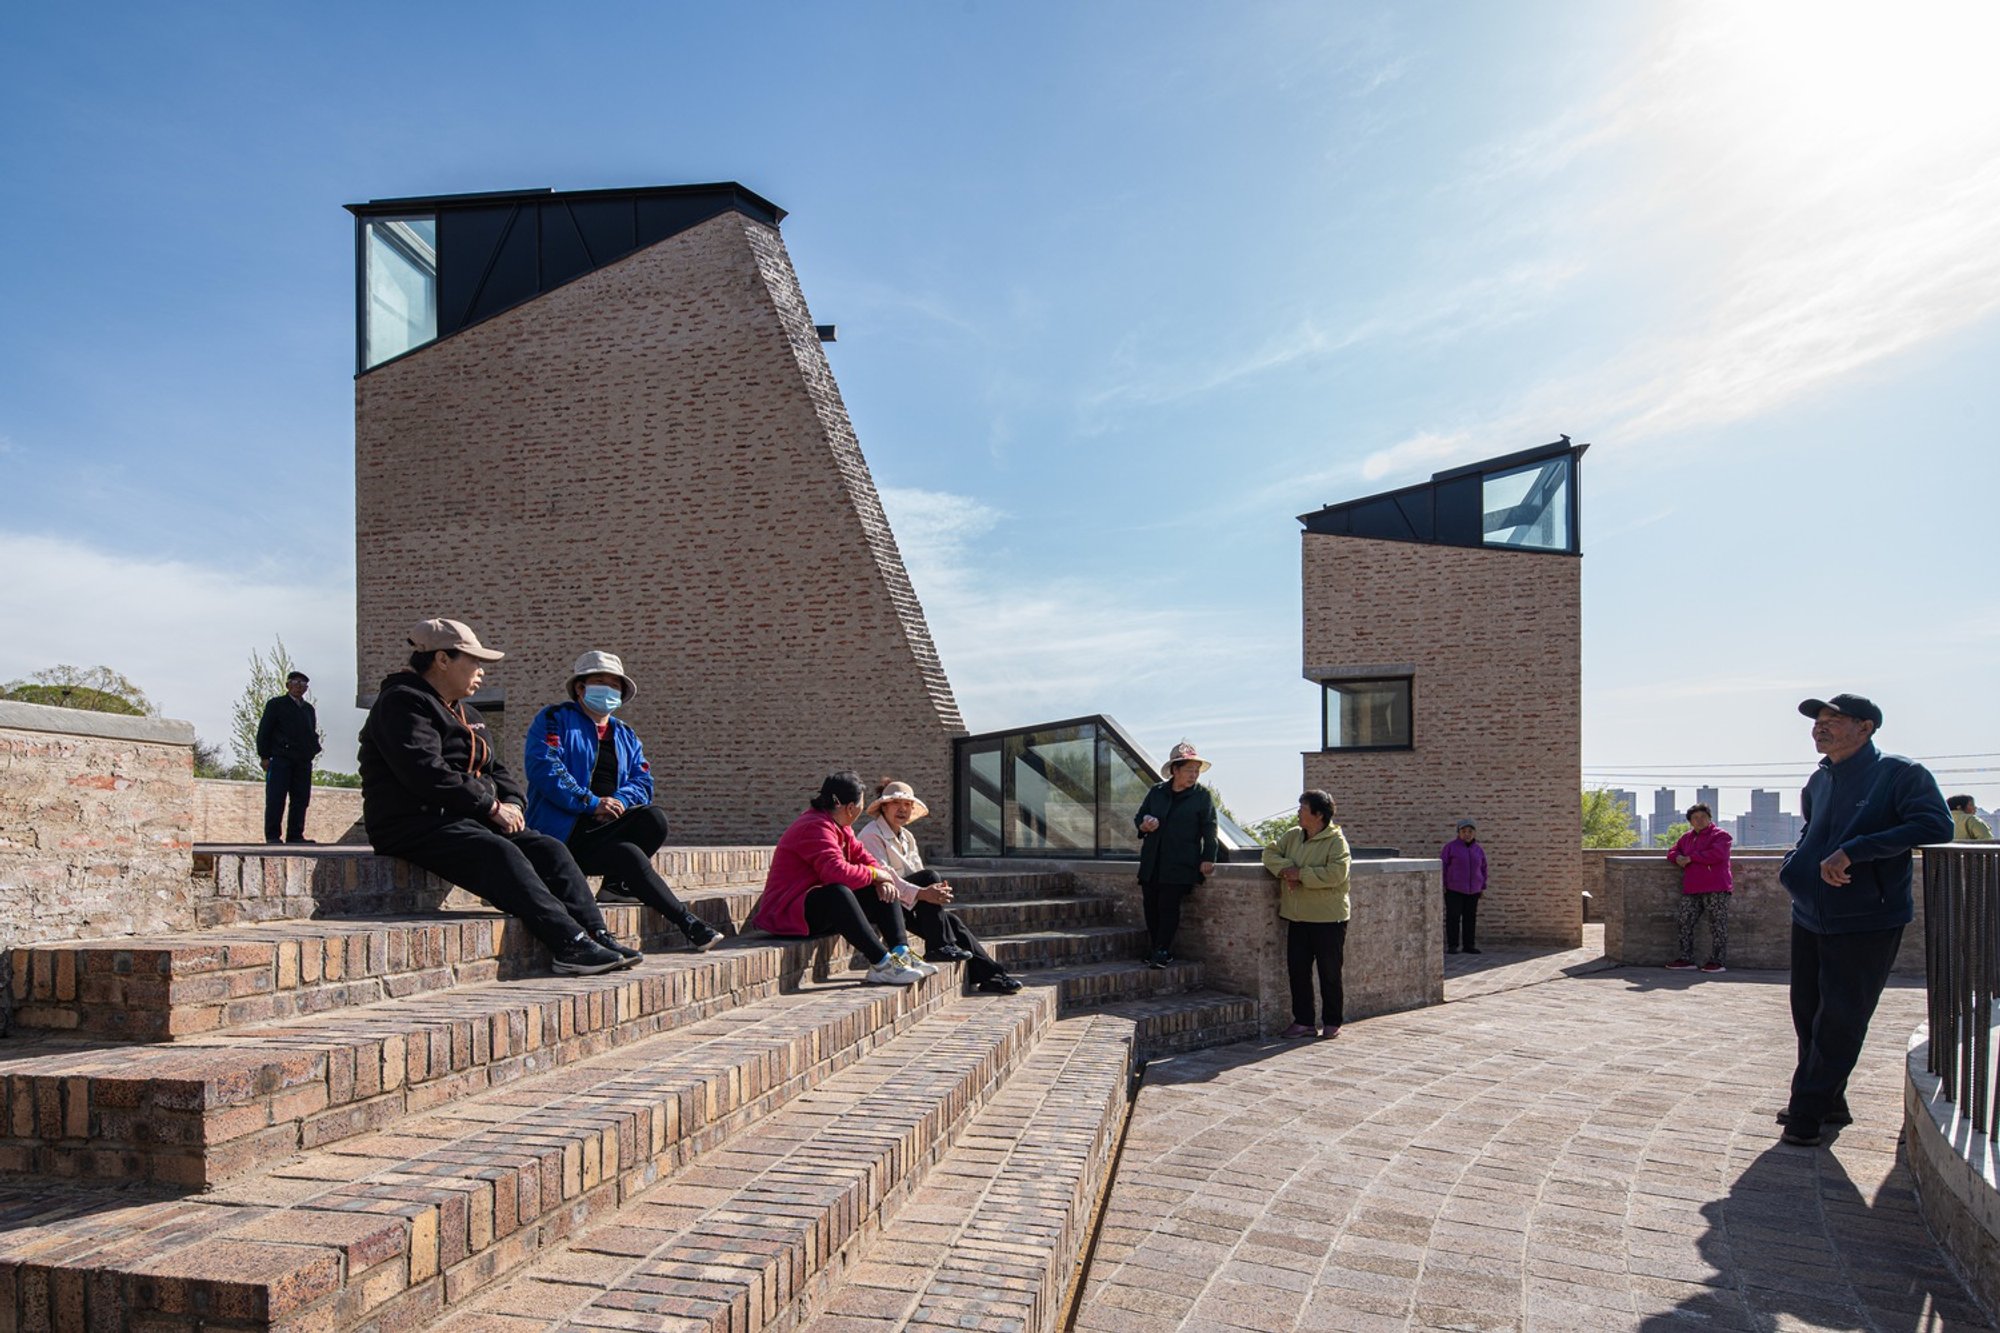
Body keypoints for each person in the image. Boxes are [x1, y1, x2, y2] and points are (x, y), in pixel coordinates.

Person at [358, 618, 636, 977]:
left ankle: (597, 934)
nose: (481, 672)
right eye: (474, 662)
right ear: (442, 660)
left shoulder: (467, 712)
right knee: (500, 852)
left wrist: (513, 805)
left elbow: (497, 770)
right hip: (414, 822)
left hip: (463, 818)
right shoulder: (401, 704)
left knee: (549, 849)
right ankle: (569, 943)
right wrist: (489, 806)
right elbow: (425, 771)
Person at [1776, 693, 1952, 1147]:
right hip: (1810, 914)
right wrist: (1795, 864)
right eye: (1818, 721)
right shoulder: (1819, 781)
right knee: (1808, 1014)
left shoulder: (1900, 774)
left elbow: (1935, 826)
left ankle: (1807, 1111)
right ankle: (1827, 1101)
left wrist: (1856, 850)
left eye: (1833, 720)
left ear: (1866, 726)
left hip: (1866, 917)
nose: (1820, 727)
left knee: (1841, 1017)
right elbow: (1811, 833)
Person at [522, 650, 721, 952]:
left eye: (615, 685)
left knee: (652, 820)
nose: (609, 690)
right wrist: (590, 802)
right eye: (600, 682)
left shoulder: (625, 735)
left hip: (602, 829)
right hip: (561, 834)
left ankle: (621, 888)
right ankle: (687, 922)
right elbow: (545, 768)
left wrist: (616, 802)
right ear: (580, 687)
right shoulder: (554, 719)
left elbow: (643, 781)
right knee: (628, 854)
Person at [751, 770, 932, 986]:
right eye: (860, 804)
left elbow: (864, 857)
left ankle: (901, 952)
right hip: (788, 911)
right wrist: (875, 874)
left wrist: (881, 878)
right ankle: (882, 964)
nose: (861, 810)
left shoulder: (840, 827)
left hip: (814, 908)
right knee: (838, 892)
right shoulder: (814, 826)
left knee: (884, 883)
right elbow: (836, 873)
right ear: (849, 808)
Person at [857, 779, 1023, 994]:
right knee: (930, 877)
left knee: (952, 922)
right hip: (884, 902)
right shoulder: (871, 834)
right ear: (884, 806)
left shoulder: (907, 836)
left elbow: (915, 872)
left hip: (907, 902)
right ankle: (938, 947)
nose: (903, 809)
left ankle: (993, 975)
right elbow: (885, 876)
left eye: (907, 805)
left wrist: (934, 893)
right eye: (897, 803)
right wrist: (925, 892)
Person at [1261, 789, 1352, 1039]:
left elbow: (1336, 874)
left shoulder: (1336, 841)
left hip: (1328, 919)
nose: (1298, 812)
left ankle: (1332, 1021)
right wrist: (1286, 870)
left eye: (1302, 808)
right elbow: (1269, 853)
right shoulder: (1292, 836)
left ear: (1318, 814)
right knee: (1298, 971)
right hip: (1298, 917)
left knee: (1329, 972)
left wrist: (1301, 875)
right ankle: (1303, 1022)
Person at [1134, 742, 1220, 969]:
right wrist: (1145, 825)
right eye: (1189, 770)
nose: (1194, 775)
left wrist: (1208, 857)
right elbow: (1140, 817)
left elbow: (1209, 828)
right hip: (1153, 860)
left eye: (1196, 771)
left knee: (1168, 906)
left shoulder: (1202, 796)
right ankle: (1156, 948)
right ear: (1175, 770)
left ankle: (1163, 949)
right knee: (1151, 906)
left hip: (1181, 861)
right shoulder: (1157, 792)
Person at [1663, 803, 1733, 973]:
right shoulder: (1686, 837)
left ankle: (1717, 961)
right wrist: (1678, 857)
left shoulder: (1721, 835)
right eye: (1695, 818)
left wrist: (1691, 858)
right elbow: (1672, 852)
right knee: (1684, 921)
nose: (1699, 820)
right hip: (1692, 887)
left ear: (1710, 818)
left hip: (1716, 887)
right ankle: (1686, 959)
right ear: (1690, 822)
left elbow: (1718, 854)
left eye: (1703, 817)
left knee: (1717, 924)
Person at [256, 670, 322, 844]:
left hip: (302, 759)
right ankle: (272, 835)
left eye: (302, 684)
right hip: (281, 757)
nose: (298, 687)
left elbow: (311, 732)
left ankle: (295, 834)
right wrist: (264, 755)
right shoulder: (276, 704)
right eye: (295, 682)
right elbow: (265, 730)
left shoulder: (308, 709)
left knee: (301, 798)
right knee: (276, 798)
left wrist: (313, 749)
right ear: (288, 685)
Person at [1440, 819, 1487, 954]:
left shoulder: (1478, 850)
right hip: (1454, 888)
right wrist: (1443, 884)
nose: (1467, 834)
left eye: (1470, 831)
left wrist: (1482, 886)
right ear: (1458, 833)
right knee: (1453, 917)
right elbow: (1443, 866)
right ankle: (1453, 945)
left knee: (1470, 917)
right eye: (1464, 831)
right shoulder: (1450, 847)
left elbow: (1483, 868)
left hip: (1474, 889)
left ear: (1474, 833)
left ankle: (1469, 945)